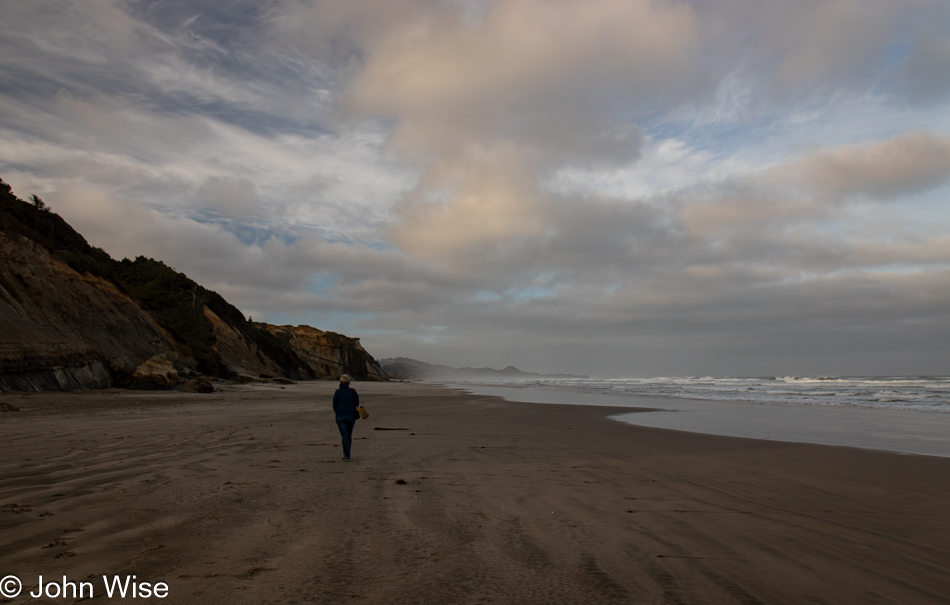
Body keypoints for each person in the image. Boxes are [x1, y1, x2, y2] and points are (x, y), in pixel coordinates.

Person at [332, 374, 360, 461]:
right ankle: (347, 454)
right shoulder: (352, 391)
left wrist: (338, 412)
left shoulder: (337, 392)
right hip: (351, 416)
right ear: (349, 382)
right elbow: (357, 402)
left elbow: (334, 405)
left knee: (344, 436)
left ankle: (347, 454)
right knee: (348, 435)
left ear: (340, 382)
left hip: (340, 416)